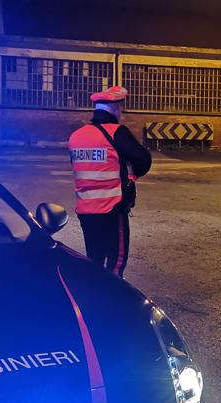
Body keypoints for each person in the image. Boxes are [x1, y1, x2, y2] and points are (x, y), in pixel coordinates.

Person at [68, 85, 151, 277]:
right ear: (115, 108)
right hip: (112, 209)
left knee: (94, 258)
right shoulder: (117, 132)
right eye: (120, 108)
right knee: (116, 261)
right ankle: (112, 300)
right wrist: (132, 176)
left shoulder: (76, 136)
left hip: (86, 210)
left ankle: (94, 295)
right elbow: (143, 160)